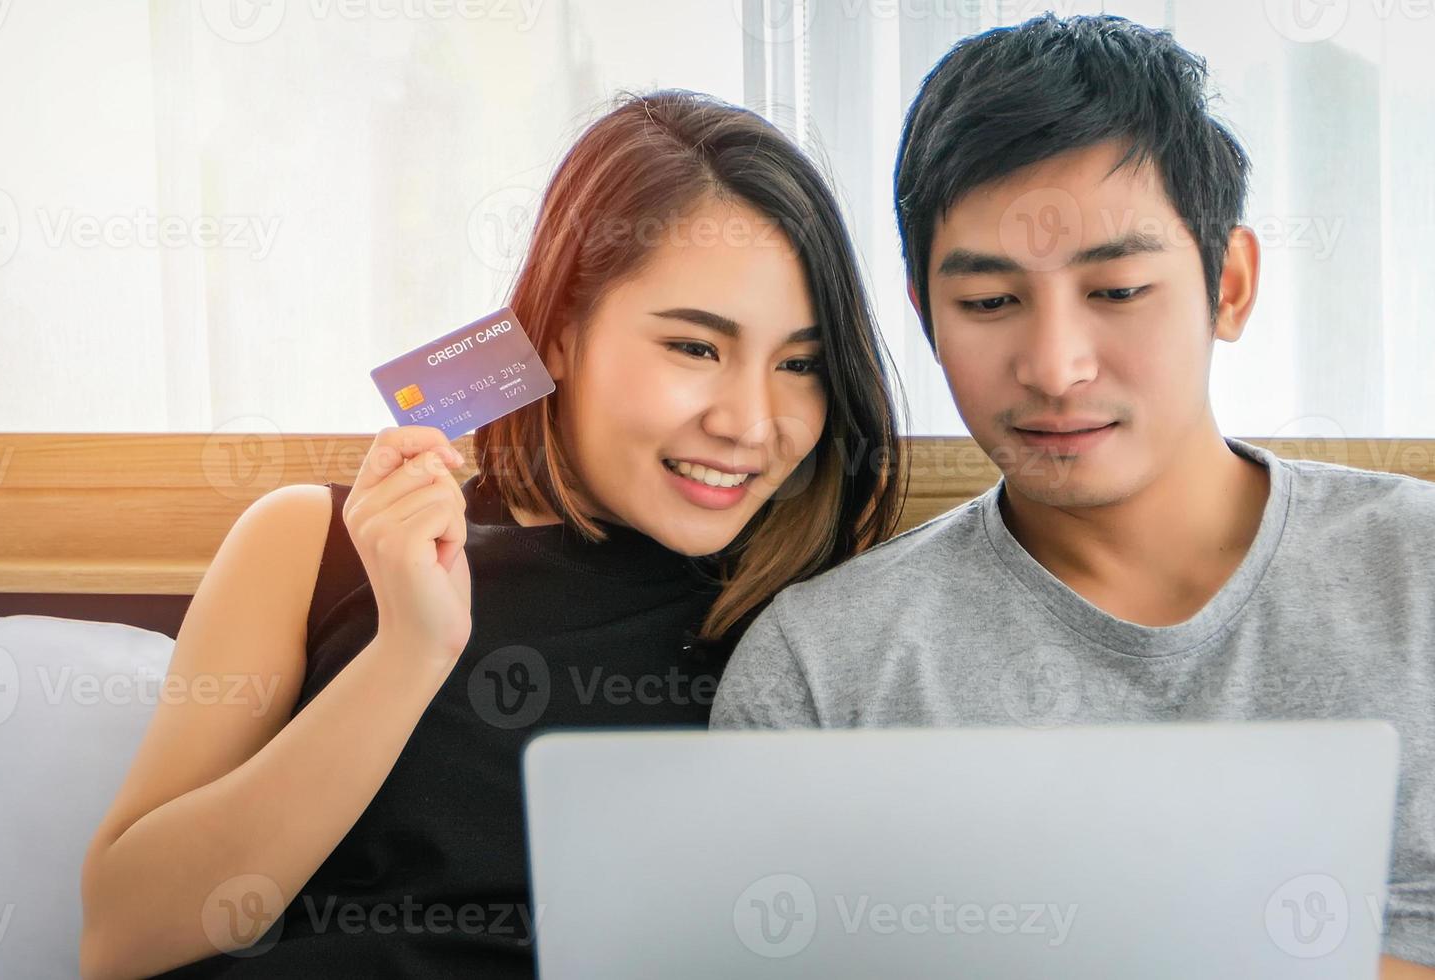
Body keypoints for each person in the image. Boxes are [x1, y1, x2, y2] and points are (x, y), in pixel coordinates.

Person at [711, 15, 1435, 976]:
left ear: (1230, 284)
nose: (1055, 368)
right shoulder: (820, 668)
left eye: (1119, 290)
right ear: (924, 316)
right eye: (989, 303)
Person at [78, 88, 903, 979]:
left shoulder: (827, 616)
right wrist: (409, 655)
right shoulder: (310, 543)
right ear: (558, 332)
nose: (750, 422)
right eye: (695, 349)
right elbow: (123, 936)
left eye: (800, 364)